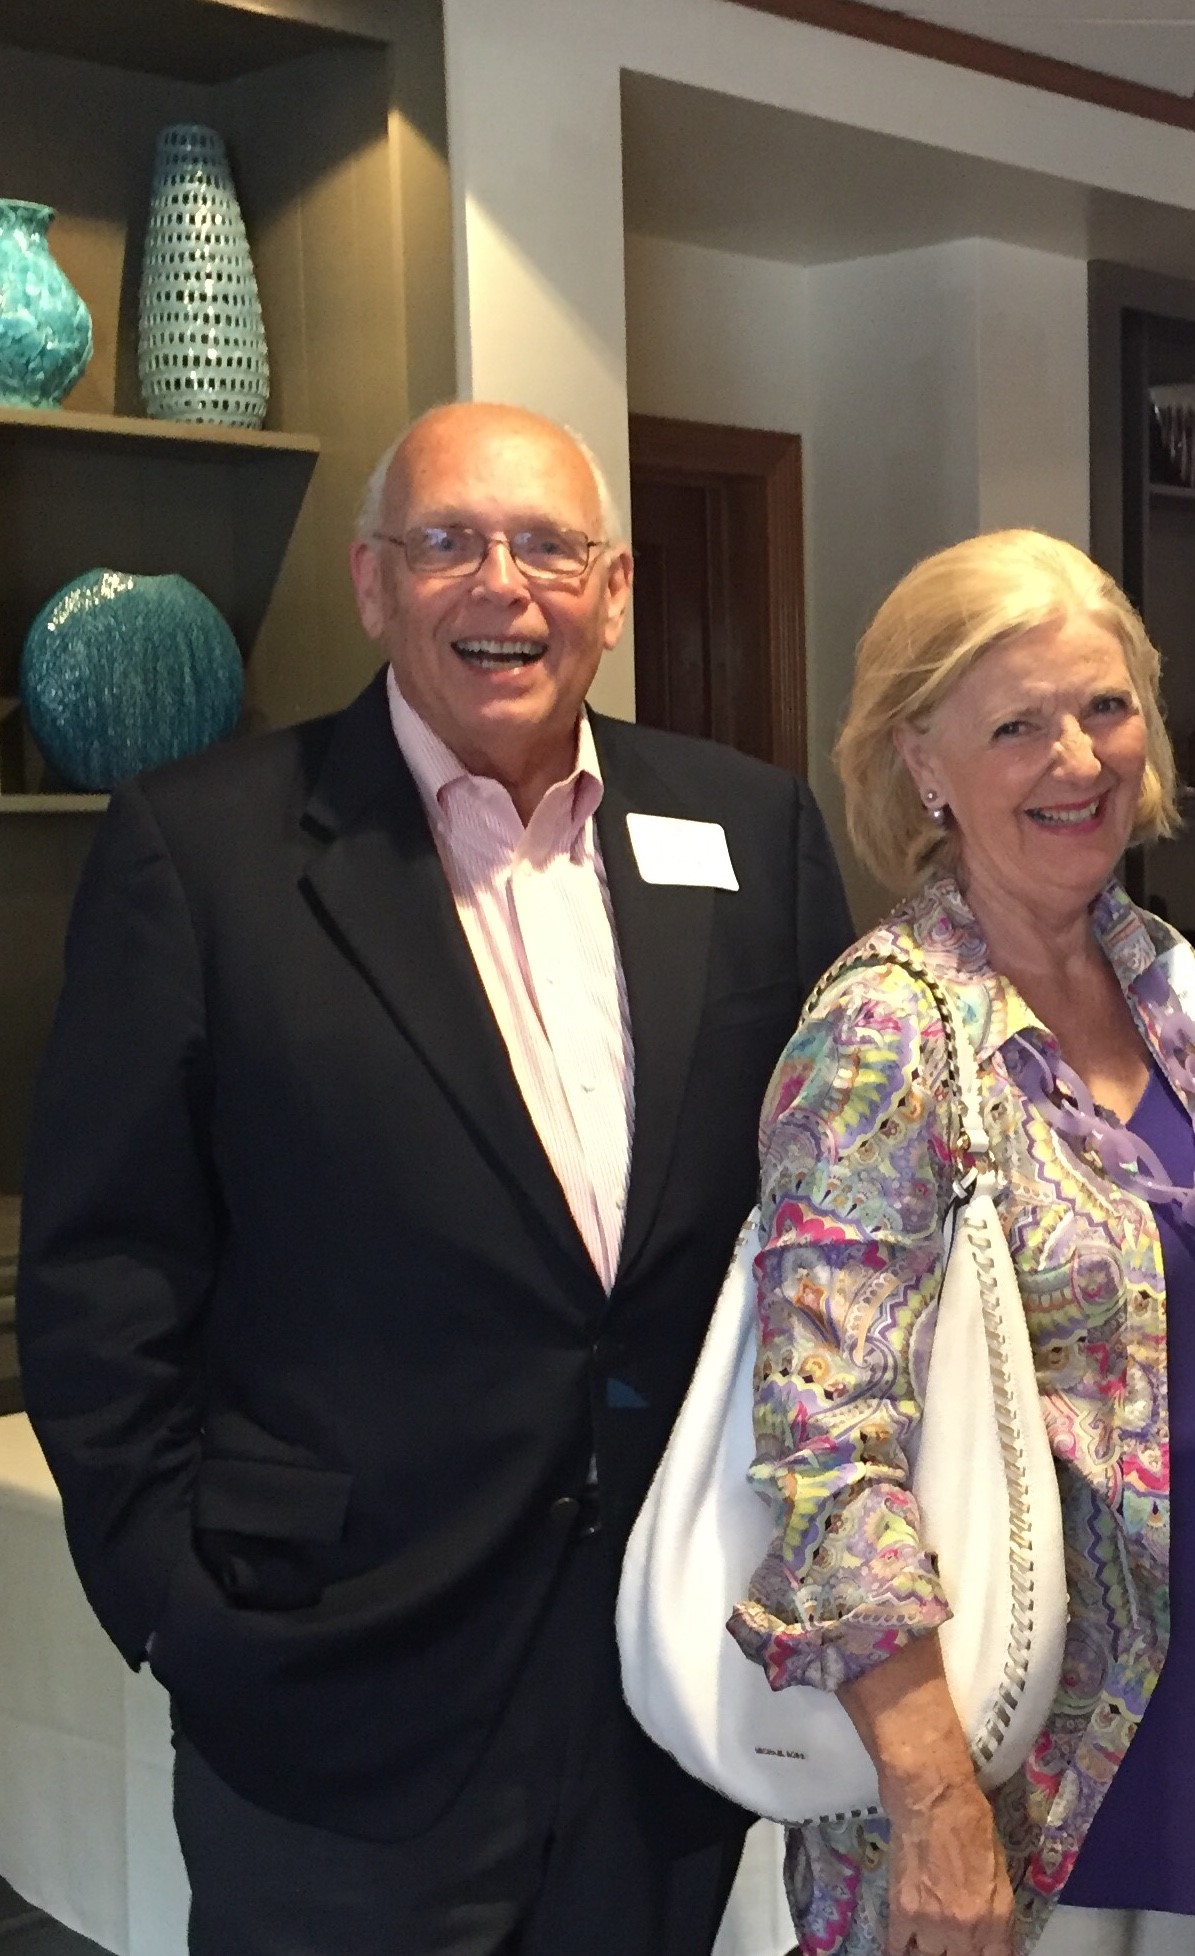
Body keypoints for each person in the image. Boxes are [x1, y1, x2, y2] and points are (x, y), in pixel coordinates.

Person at [17, 401, 854, 1953]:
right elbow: (102, 1271)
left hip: (662, 1689)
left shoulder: (751, 829)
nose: (503, 585)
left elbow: (820, 1218)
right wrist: (175, 1600)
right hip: (338, 1698)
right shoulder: (201, 852)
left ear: (613, 590)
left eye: (548, 547)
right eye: (450, 542)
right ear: (372, 582)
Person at [727, 530, 1195, 1956]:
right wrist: (935, 1804)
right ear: (922, 762)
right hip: (999, 1727)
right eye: (1017, 725)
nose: (1078, 759)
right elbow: (823, 1446)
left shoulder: (1165, 973)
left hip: (1186, 1680)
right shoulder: (886, 1025)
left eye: (1105, 709)